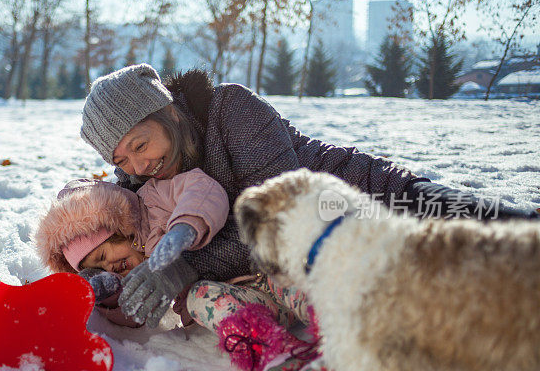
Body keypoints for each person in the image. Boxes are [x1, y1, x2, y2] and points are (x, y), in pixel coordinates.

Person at [78, 63, 539, 328]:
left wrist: (183, 266)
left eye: (140, 145)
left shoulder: (231, 108)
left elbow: (278, 226)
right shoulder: (142, 186)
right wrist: (98, 283)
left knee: (496, 229)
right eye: (122, 161)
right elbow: (102, 233)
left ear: (170, 114)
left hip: (364, 195)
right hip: (336, 248)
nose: (139, 167)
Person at [35, 174, 343, 371]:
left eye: (104, 256)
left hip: (263, 266)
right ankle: (278, 356)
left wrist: (185, 227)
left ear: (121, 230)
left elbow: (202, 190)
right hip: (247, 299)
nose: (109, 267)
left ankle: (344, 333)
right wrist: (109, 294)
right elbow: (136, 316)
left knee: (295, 280)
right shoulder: (129, 273)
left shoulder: (153, 200)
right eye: (96, 267)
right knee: (198, 298)